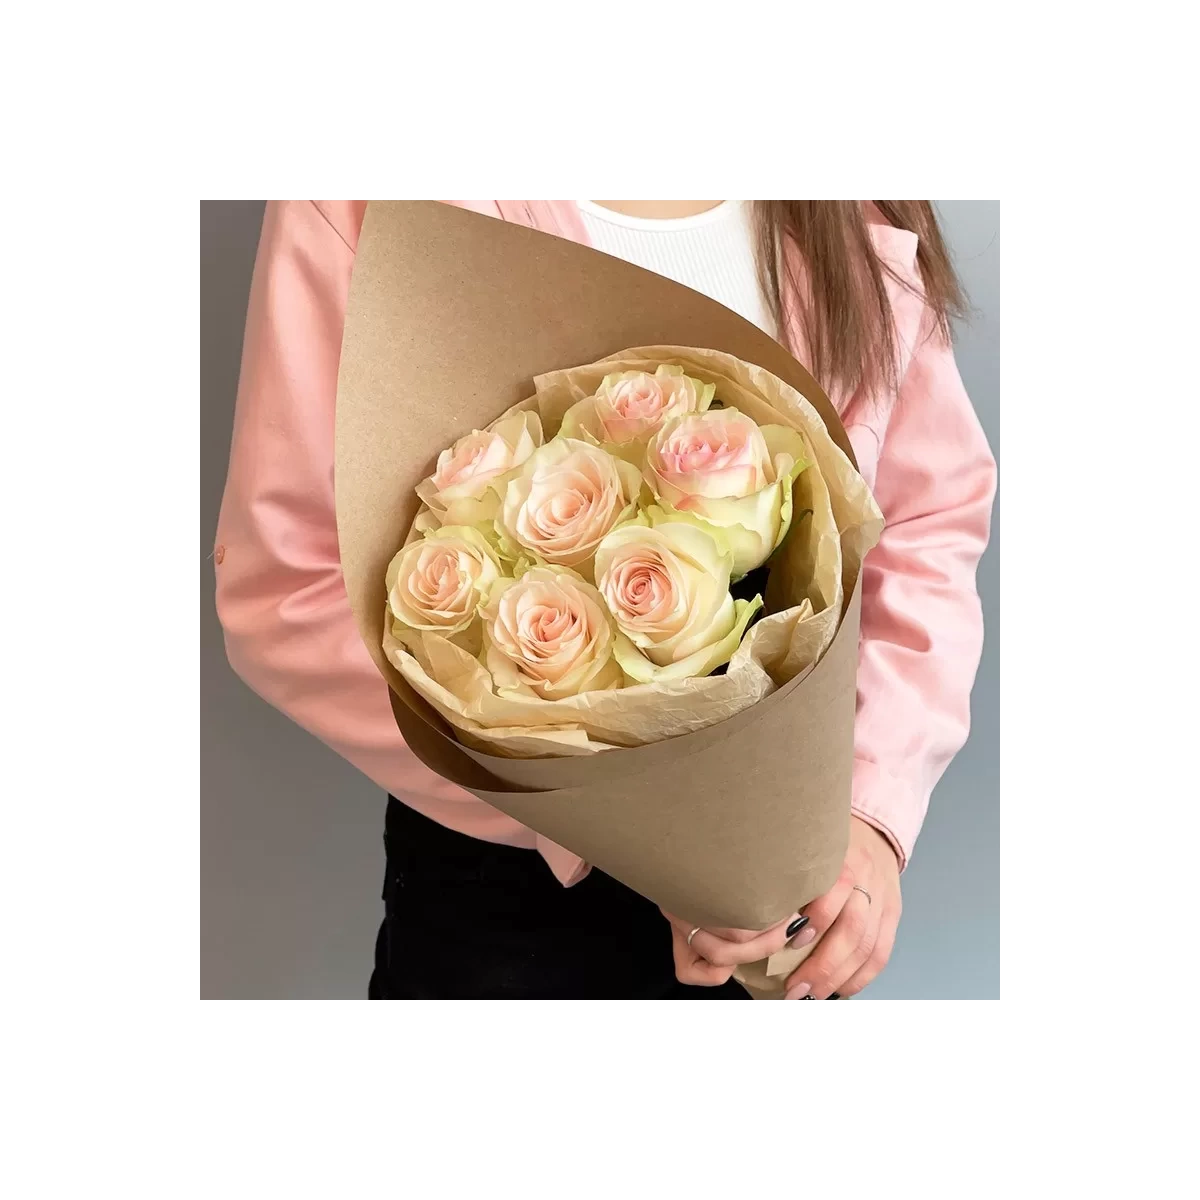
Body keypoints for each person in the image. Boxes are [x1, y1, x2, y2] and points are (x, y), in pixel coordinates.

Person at [214, 200, 996, 1000]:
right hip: (513, 911)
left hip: (798, 886)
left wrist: (869, 809)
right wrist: (629, 829)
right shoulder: (373, 198)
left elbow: (924, 521)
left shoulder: (850, 202)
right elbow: (286, 580)